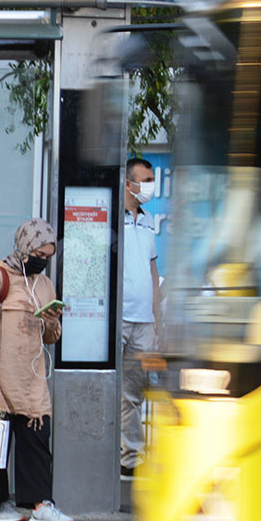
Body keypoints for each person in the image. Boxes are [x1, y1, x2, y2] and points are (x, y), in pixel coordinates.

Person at [0, 219, 73, 521]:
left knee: (37, 435)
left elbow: (51, 338)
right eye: (39, 253)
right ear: (24, 248)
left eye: (49, 256)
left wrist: (51, 321)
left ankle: (40, 504)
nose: (43, 260)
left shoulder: (45, 284)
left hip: (32, 375)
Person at [121, 157, 160, 478]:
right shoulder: (111, 219)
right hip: (118, 318)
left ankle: (129, 458)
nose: (150, 185)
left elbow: (152, 269)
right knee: (109, 387)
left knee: (134, 391)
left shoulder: (148, 222)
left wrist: (157, 317)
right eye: (146, 180)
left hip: (144, 320)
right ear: (129, 183)